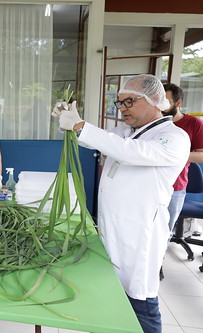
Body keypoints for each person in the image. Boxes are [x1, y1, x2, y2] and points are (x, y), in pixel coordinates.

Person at [53, 74, 190, 333]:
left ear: (155, 100)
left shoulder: (173, 137)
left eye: (129, 101)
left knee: (141, 301)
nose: (123, 108)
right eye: (120, 103)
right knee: (114, 297)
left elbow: (130, 152)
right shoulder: (128, 132)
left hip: (140, 236)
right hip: (113, 229)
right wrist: (68, 121)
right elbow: (103, 139)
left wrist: (80, 125)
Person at [158, 83, 203, 280]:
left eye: (165, 101)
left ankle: (157, 263)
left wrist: (174, 155)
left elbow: (201, 156)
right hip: (149, 185)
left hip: (175, 187)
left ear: (178, 102)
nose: (160, 105)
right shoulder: (154, 121)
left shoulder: (194, 124)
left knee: (164, 229)